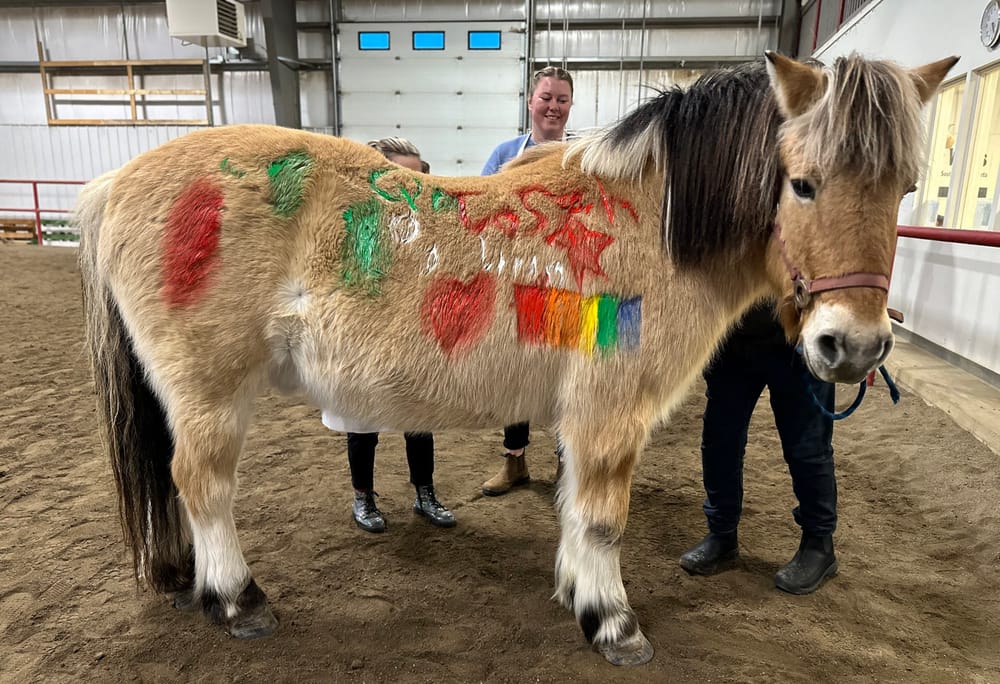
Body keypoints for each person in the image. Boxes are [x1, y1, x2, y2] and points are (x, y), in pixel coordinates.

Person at [324, 136, 455, 533]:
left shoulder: (424, 222)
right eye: (403, 177)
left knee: (420, 421)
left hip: (411, 339)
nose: (414, 187)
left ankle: (424, 493)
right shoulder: (351, 220)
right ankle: (362, 497)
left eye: (419, 176)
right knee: (361, 426)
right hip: (362, 340)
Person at [679, 300, 838, 595]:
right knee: (720, 441)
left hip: (797, 342)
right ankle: (722, 534)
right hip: (733, 339)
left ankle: (819, 544)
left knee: (807, 449)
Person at [480, 66, 574, 496]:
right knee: (516, 373)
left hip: (570, 283)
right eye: (546, 97)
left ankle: (565, 462)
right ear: (530, 102)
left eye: (561, 99)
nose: (553, 106)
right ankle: (514, 462)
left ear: (570, 106)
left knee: (564, 374)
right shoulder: (503, 155)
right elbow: (479, 212)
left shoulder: (584, 156)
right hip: (514, 282)